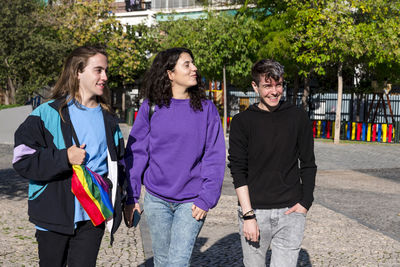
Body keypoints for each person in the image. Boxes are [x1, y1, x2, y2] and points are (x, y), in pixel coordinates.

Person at [13, 46, 125, 267]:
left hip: (94, 215)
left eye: (106, 71)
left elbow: (120, 164)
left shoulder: (109, 119)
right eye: (98, 70)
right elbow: (21, 159)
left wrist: (127, 201)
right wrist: (64, 158)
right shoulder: (46, 114)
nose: (105, 77)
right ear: (78, 72)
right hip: (54, 215)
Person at [124, 47, 226, 267]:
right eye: (187, 64)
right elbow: (136, 153)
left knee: (177, 263)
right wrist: (131, 197)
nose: (194, 68)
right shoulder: (150, 107)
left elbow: (215, 156)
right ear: (170, 74)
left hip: (191, 202)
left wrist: (207, 197)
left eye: (193, 63)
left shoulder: (207, 110)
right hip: (156, 199)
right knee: (162, 261)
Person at [228, 59, 317, 267]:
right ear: (255, 86)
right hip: (254, 213)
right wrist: (248, 215)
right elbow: (238, 171)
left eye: (278, 85)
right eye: (267, 86)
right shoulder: (242, 123)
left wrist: (305, 202)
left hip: (291, 213)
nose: (274, 91)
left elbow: (308, 163)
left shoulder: (298, 117)